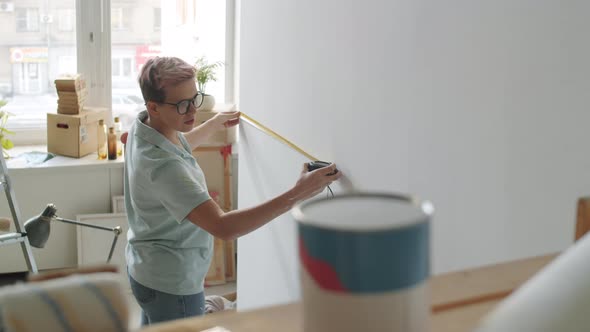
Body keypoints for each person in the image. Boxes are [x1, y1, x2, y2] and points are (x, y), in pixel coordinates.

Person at [124, 56, 341, 326]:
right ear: (154, 107)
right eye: (182, 104)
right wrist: (297, 193)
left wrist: (212, 125)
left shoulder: (143, 127)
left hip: (146, 270)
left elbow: (177, 147)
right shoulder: (163, 168)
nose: (192, 110)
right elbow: (223, 227)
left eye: (195, 98)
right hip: (171, 286)